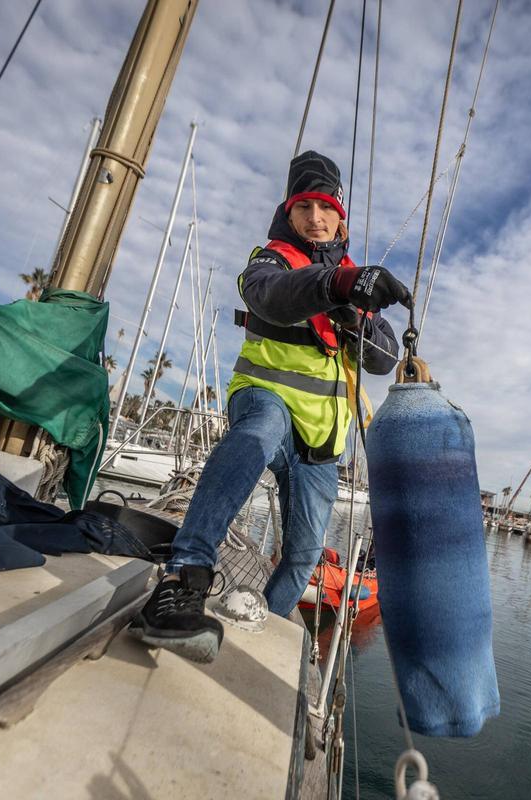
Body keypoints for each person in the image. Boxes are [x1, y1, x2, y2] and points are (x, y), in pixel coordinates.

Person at [134, 151, 411, 662]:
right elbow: (269, 297)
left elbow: (383, 360)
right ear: (290, 211)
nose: (316, 218)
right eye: (304, 206)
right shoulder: (273, 258)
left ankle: (258, 621)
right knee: (256, 433)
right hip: (266, 400)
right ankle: (183, 582)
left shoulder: (355, 279)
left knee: (305, 555)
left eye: (326, 207)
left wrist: (360, 318)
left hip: (321, 442)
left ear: (340, 216)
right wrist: (336, 286)